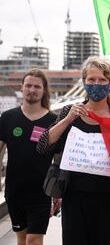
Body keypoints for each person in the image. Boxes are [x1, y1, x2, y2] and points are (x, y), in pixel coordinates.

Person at [37, 57, 110, 245]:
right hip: (75, 198)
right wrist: (67, 120)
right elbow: (43, 146)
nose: (96, 84)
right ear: (84, 82)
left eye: (102, 80)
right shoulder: (69, 111)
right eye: (91, 80)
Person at [0, 69, 58, 245]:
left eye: (37, 86)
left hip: (41, 192)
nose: (32, 90)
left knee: (34, 239)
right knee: (21, 238)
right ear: (22, 88)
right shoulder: (8, 117)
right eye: (28, 85)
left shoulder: (53, 121)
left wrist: (58, 192)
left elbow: (58, 158)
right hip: (14, 190)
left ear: (44, 90)